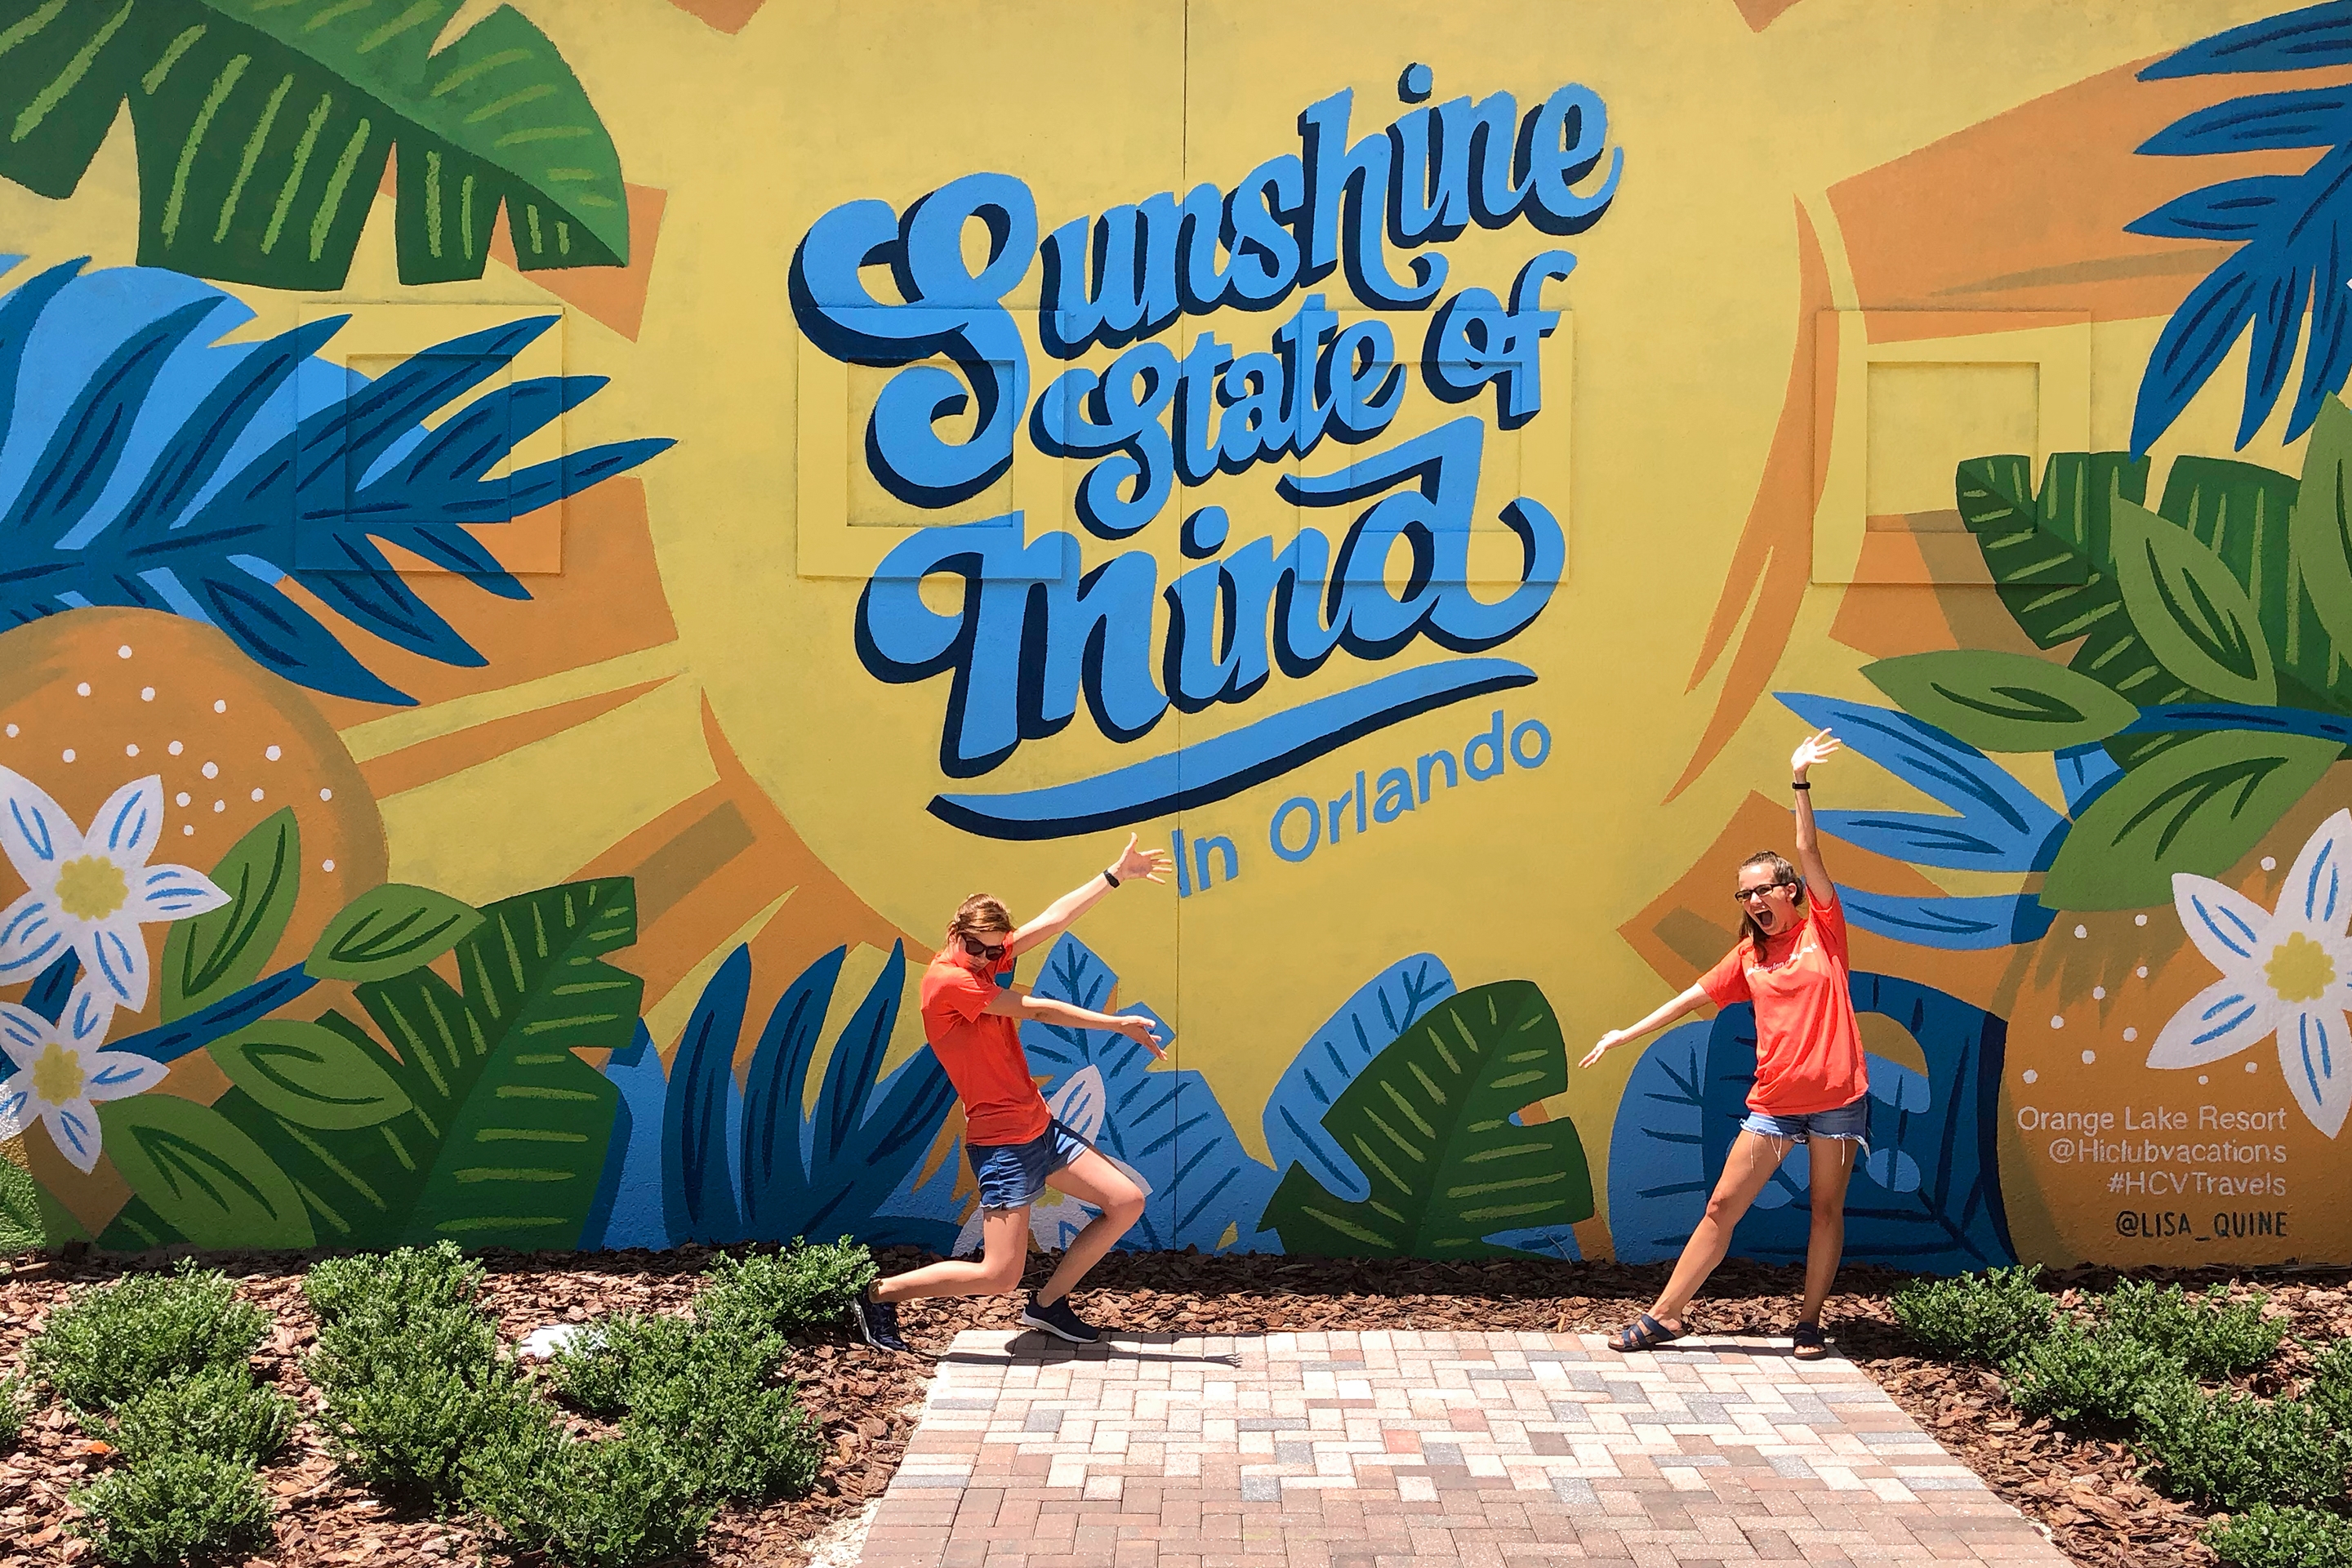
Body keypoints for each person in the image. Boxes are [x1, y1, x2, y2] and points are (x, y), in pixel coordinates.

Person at [1580, 728, 1867, 1361]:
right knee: (1721, 1205)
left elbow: (1808, 848)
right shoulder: (1749, 957)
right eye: (1745, 895)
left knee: (1825, 1212)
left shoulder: (1825, 929)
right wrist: (1625, 1032)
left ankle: (1810, 1323)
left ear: (1790, 891)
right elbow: (1688, 997)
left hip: (1839, 1101)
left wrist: (1799, 779)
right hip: (1774, 1103)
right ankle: (1664, 1317)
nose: (1755, 900)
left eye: (1764, 889)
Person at [851, 835, 1174, 1352]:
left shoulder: (989, 959)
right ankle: (878, 1295)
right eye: (974, 946)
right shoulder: (949, 981)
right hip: (1001, 1143)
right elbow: (1040, 1010)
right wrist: (1116, 1022)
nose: (984, 957)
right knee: (999, 1274)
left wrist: (1113, 876)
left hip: (1039, 1128)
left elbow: (1051, 920)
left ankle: (1047, 1305)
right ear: (954, 934)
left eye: (995, 949)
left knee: (1125, 1201)